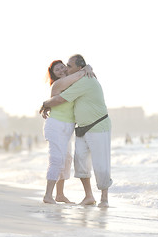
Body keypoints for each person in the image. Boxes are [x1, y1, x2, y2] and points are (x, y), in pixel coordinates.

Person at [41, 54, 112, 208]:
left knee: (90, 163)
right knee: (71, 162)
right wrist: (46, 103)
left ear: (78, 68)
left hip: (90, 126)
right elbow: (59, 98)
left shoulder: (82, 80)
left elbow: (61, 99)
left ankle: (101, 198)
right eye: (60, 67)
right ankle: (83, 196)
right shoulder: (67, 82)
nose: (65, 68)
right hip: (71, 127)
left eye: (67, 66)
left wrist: (87, 67)